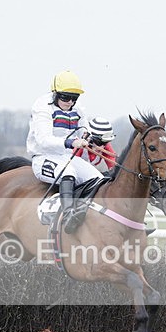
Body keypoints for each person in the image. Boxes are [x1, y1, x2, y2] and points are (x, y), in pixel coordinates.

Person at [27, 70, 103, 234]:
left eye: (74, 98)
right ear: (55, 93)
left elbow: (84, 129)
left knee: (99, 180)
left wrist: (91, 140)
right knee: (68, 173)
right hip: (43, 157)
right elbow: (44, 140)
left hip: (67, 156)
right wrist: (71, 142)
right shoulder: (42, 107)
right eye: (65, 97)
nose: (70, 102)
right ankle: (68, 216)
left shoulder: (78, 109)